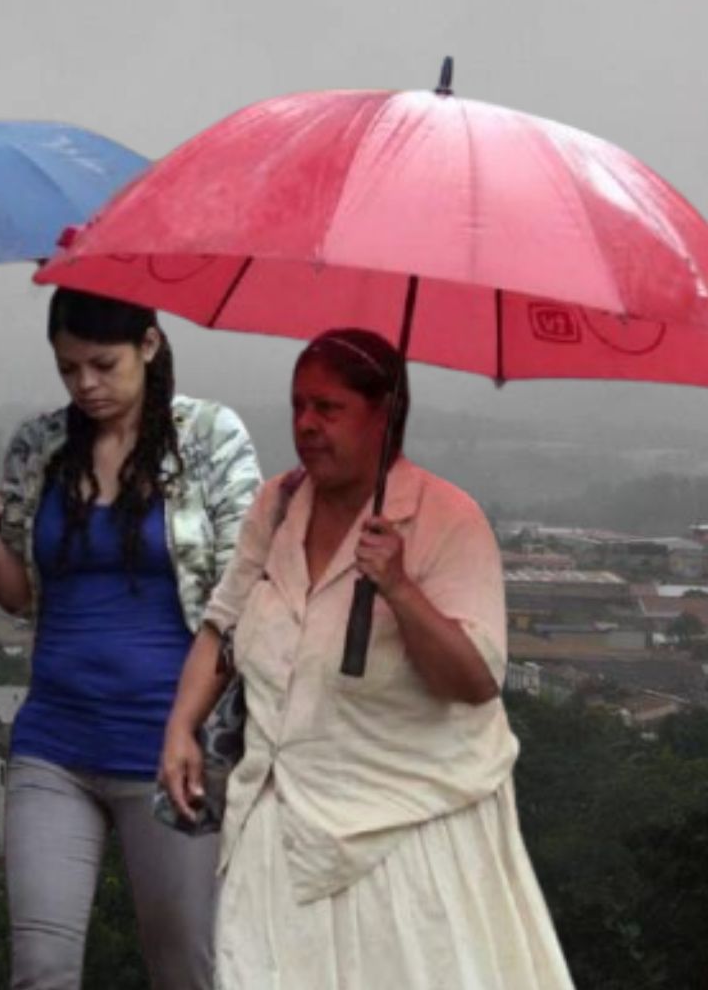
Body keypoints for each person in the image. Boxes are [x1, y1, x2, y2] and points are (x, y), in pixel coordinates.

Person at [159, 328, 573, 989]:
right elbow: (221, 629)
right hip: (275, 825)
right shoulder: (277, 505)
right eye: (298, 406)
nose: (306, 425)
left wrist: (400, 589)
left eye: (328, 409)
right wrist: (182, 726)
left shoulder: (448, 520)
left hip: (403, 836)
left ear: (385, 413)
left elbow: (473, 681)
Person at [0, 287, 261, 989]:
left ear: (149, 345)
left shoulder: (210, 439)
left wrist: (188, 727)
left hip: (172, 752)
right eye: (68, 369)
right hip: (55, 742)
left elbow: (243, 595)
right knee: (40, 967)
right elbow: (20, 595)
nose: (85, 385)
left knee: (185, 962)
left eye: (102, 364)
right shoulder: (41, 446)